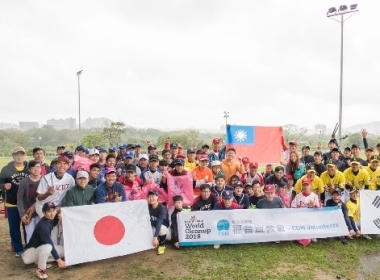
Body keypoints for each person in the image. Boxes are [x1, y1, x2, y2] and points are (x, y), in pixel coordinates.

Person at [22, 202, 66, 280]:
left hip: (40, 249)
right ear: (43, 213)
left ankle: (41, 261)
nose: (52, 214)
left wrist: (58, 217)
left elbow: (53, 222)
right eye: (49, 211)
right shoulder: (43, 226)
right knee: (48, 247)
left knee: (64, 251)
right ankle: (40, 270)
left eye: (53, 210)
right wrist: (59, 261)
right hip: (30, 254)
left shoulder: (49, 219)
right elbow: (50, 244)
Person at [0, 146, 29, 256]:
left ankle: (29, 246)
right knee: (14, 228)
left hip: (27, 204)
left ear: (24, 156)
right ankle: (18, 249)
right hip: (12, 203)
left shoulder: (28, 168)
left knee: (27, 226)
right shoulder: (6, 169)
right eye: (17, 155)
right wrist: (3, 186)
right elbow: (0, 183)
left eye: (21, 154)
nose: (19, 157)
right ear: (13, 156)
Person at [17, 160, 42, 244]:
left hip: (41, 211)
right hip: (28, 211)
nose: (36, 169)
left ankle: (40, 253)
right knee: (30, 234)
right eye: (33, 168)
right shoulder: (24, 182)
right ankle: (30, 254)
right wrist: (22, 214)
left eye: (38, 167)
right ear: (29, 169)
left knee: (41, 233)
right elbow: (19, 198)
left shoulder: (44, 180)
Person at [148, 190, 169, 255]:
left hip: (164, 227)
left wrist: (155, 237)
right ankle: (157, 239)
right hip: (154, 226)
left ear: (157, 197)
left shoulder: (162, 208)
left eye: (153, 196)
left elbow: (159, 222)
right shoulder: (148, 207)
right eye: (149, 197)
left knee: (161, 229)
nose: (151, 198)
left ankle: (162, 245)